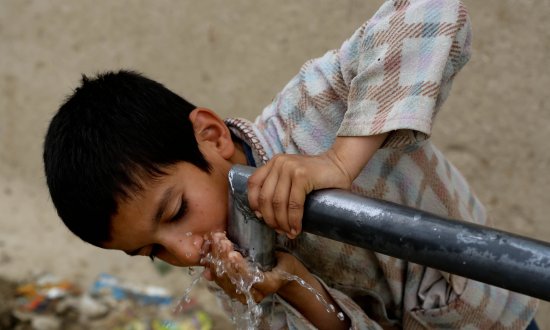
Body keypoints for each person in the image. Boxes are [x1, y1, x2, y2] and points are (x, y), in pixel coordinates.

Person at [43, 0, 539, 329]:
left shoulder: (310, 114)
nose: (187, 252)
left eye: (175, 214)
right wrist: (295, 289)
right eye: (154, 251)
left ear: (211, 136)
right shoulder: (240, 273)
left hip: (494, 312)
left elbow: (432, 11)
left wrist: (340, 160)